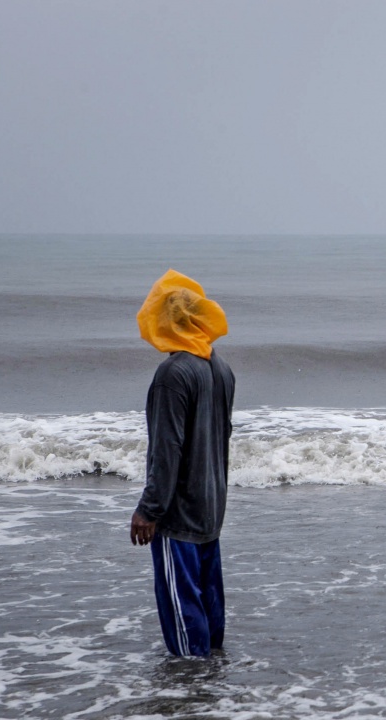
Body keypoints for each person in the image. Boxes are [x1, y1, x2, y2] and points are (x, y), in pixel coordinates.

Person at [130, 269, 236, 657]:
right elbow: (221, 437)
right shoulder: (220, 368)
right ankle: (212, 681)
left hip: (179, 513)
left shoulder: (173, 374)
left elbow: (167, 448)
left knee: (181, 609)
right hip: (211, 505)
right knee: (208, 598)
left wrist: (149, 509)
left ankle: (190, 689)